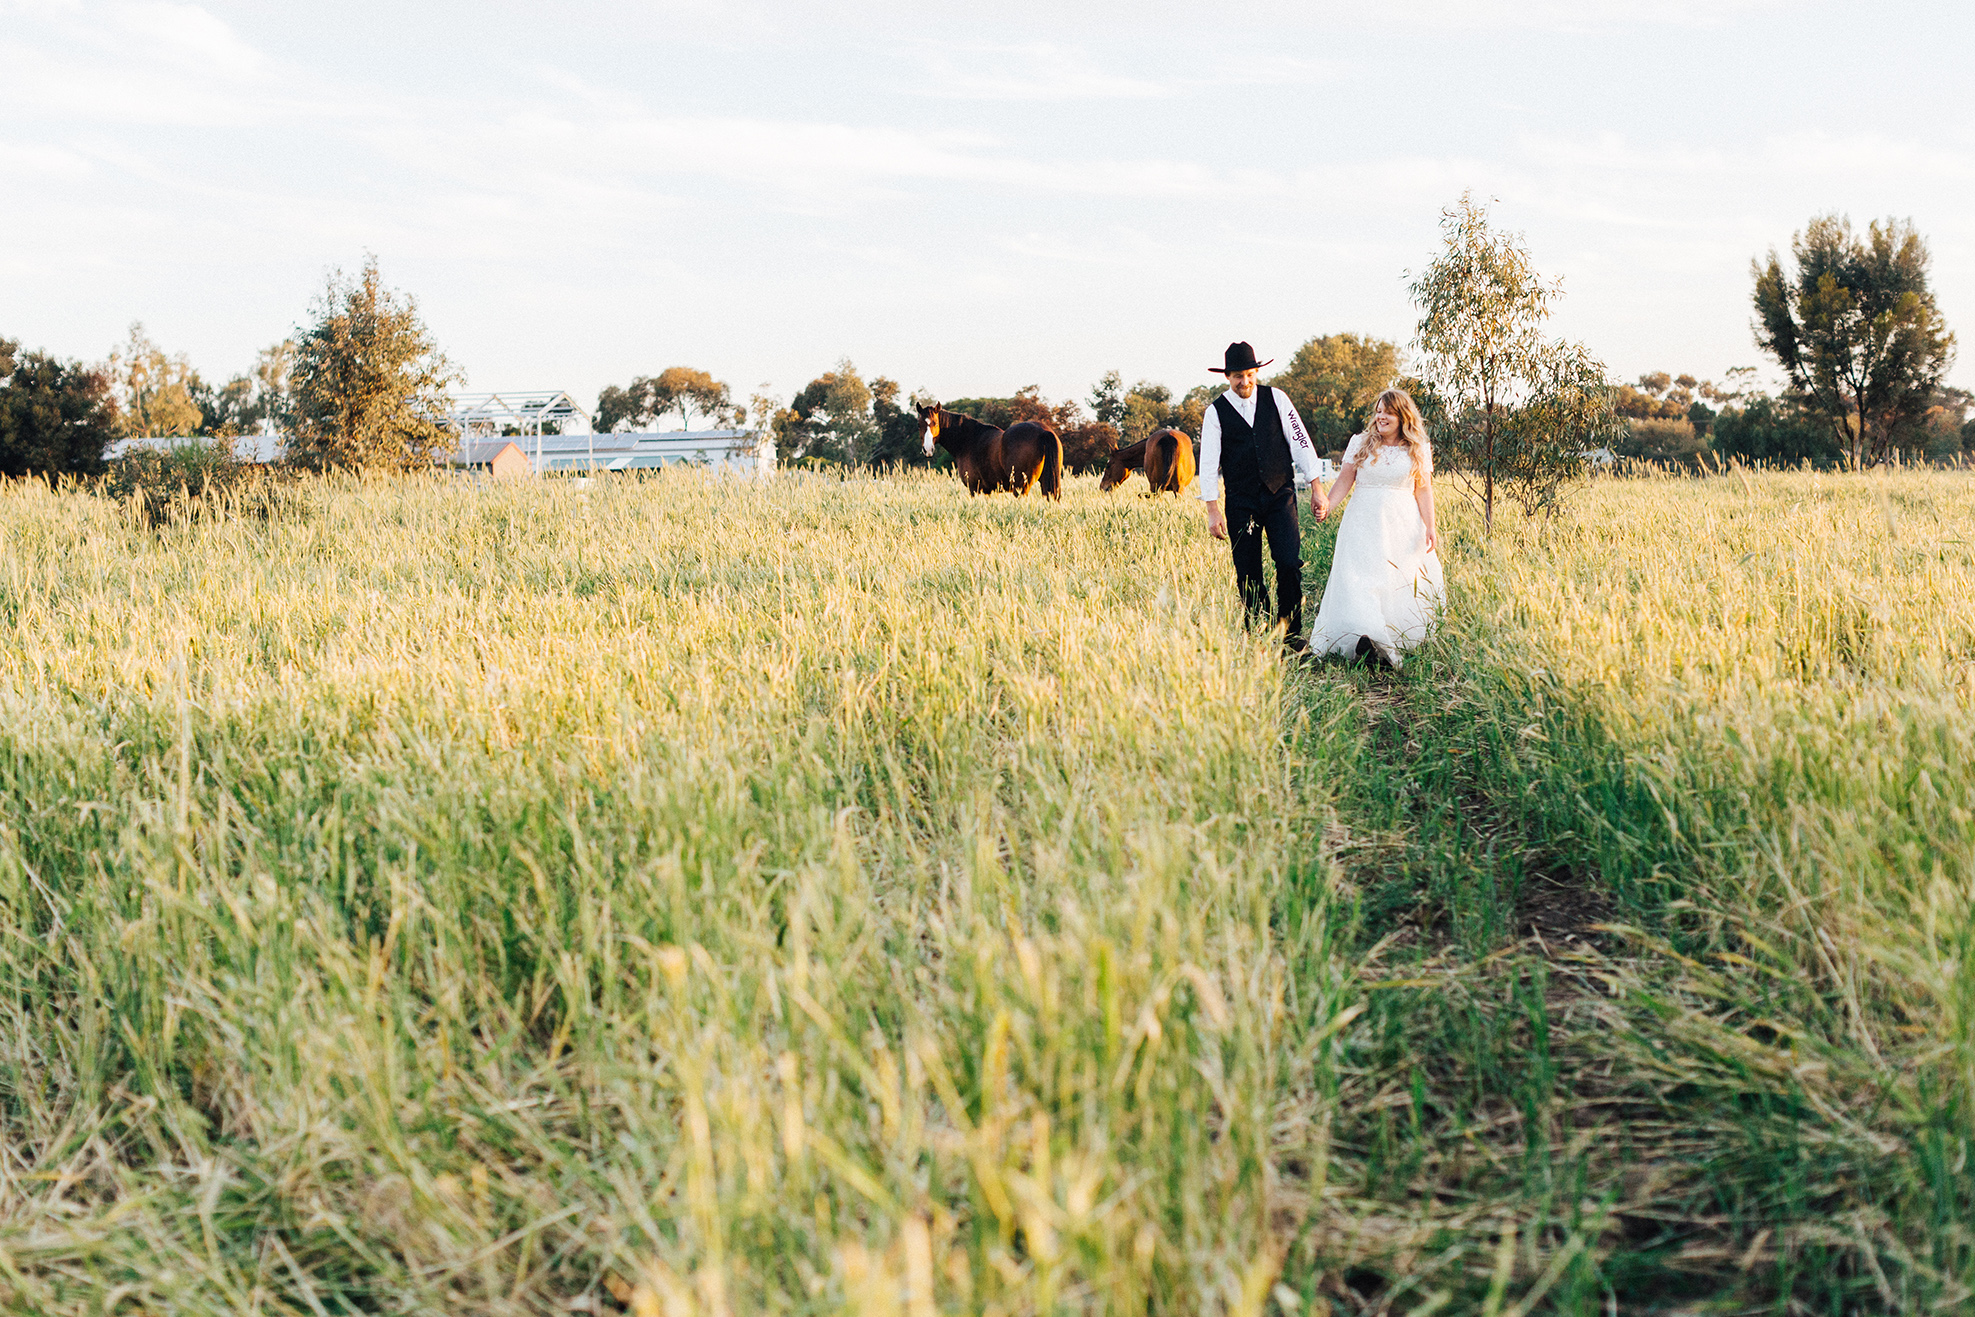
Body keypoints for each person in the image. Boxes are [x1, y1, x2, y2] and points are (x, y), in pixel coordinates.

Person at [1198, 342, 1327, 651]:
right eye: (1238, 376)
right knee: (1248, 569)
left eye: (1250, 374)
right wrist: (1212, 509)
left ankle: (1292, 634)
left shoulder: (1277, 399)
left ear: (1257, 372)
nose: (1245, 382)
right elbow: (1208, 462)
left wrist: (1317, 487)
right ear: (1227, 377)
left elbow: (1301, 442)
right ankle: (1260, 632)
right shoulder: (1215, 412)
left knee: (1288, 563)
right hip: (1241, 502)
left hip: (1280, 495)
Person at [1309, 387, 1445, 667]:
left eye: (1388, 412)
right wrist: (1328, 506)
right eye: (1378, 411)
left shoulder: (1418, 448)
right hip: (1362, 522)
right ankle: (1365, 637)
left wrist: (1430, 526)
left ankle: (1390, 639)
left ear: (1402, 416)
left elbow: (1423, 490)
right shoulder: (1360, 443)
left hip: (1402, 523)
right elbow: (1345, 480)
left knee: (1395, 581)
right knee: (1359, 579)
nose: (1381, 417)